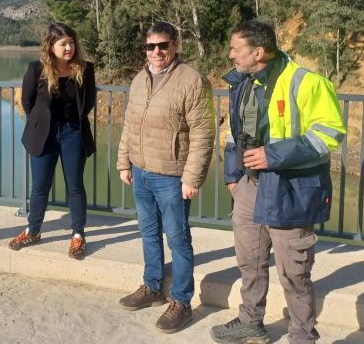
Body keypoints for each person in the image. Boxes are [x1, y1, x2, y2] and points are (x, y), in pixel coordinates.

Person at [210, 20, 345, 344]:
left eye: (236, 49)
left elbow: (329, 133)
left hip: (290, 190)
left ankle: (302, 336)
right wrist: (233, 178)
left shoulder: (307, 82)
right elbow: (235, 132)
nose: (230, 55)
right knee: (250, 261)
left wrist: (273, 155)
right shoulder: (243, 83)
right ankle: (250, 322)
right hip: (249, 186)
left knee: (294, 273)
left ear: (258, 52)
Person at [117, 21, 215, 334]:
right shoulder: (139, 79)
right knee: (148, 233)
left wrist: (192, 178)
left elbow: (203, 133)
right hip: (141, 172)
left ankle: (182, 301)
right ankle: (152, 287)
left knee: (177, 239)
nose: (157, 51)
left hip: (172, 176)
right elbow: (130, 125)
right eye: (151, 46)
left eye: (163, 45)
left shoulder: (192, 79)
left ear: (175, 45)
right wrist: (124, 162)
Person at [8, 22, 96, 258]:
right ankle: (33, 230)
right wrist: (41, 124)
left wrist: (70, 124)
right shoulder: (36, 69)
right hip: (44, 135)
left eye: (71, 42)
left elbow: (88, 102)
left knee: (75, 185)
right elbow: (27, 102)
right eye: (63, 44)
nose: (69, 48)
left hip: (73, 133)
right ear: (51, 46)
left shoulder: (85, 69)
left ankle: (78, 235)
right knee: (40, 186)